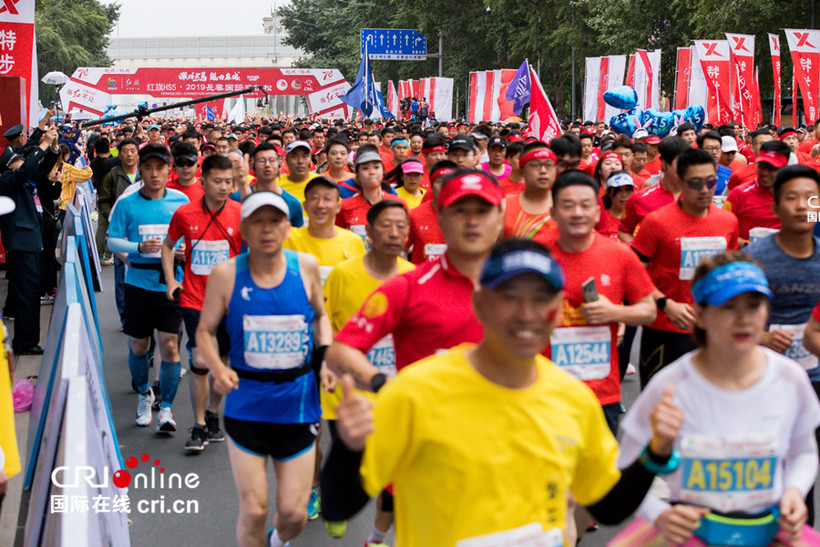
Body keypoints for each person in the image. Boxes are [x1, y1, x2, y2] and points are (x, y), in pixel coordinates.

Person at [321, 238, 684, 547]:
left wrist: (657, 452)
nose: (526, 315)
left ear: (557, 312)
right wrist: (348, 451)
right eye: (509, 298)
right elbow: (339, 507)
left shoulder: (572, 399)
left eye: (541, 299)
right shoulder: (414, 391)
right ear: (480, 305)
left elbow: (608, 507)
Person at [619, 251, 819, 545]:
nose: (744, 319)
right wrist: (660, 515)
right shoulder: (671, 386)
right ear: (699, 314)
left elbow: (804, 451)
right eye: (728, 307)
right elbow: (624, 469)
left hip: (769, 531)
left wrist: (794, 491)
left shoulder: (790, 378)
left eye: (754, 306)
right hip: (690, 534)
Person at [196, 191, 335, 547]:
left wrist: (327, 358)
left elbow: (320, 318)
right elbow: (205, 331)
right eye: (258, 221)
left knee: (294, 514)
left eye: (275, 221)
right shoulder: (226, 275)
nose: (267, 229)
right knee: (255, 510)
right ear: (244, 228)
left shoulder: (305, 267)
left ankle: (277, 542)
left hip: (298, 401)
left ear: (288, 227)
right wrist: (217, 368)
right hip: (248, 400)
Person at [326, 168, 504, 389]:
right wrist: (384, 386)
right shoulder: (407, 286)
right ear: (441, 218)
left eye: (482, 211)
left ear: (500, 217)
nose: (471, 221)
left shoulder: (522, 290)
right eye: (460, 211)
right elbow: (341, 350)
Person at [321, 199, 415, 543]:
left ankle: (376, 537)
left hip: (395, 389)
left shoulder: (412, 277)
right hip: (347, 389)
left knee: (395, 474)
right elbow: (325, 323)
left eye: (401, 226)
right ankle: (338, 502)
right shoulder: (344, 274)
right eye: (386, 225)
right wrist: (327, 364)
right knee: (357, 460)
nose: (395, 233)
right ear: (369, 232)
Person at [544, 170, 656, 435]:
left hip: (601, 395)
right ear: (553, 212)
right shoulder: (535, 255)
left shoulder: (620, 255)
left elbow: (650, 310)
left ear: (597, 212)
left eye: (585, 206)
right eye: (568, 206)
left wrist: (615, 312)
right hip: (546, 393)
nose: (577, 213)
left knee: (602, 475)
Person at [631, 148, 739, 389]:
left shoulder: (728, 221)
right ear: (680, 181)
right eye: (695, 183)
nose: (704, 190)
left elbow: (728, 271)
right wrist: (666, 304)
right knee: (660, 409)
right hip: (664, 329)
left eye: (710, 182)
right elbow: (636, 273)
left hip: (711, 330)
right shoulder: (657, 222)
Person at [162, 154, 243, 452]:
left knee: (221, 363)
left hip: (229, 302)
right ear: (204, 180)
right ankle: (197, 425)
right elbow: (168, 246)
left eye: (228, 182)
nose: (224, 187)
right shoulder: (185, 213)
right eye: (218, 181)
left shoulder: (239, 212)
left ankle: (212, 414)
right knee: (199, 362)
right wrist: (172, 280)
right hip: (195, 299)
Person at [107, 144, 189, 431]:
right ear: (140, 170)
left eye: (160, 167)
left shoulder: (180, 201)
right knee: (139, 345)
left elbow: (190, 237)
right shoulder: (127, 203)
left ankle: (166, 408)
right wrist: (138, 247)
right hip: (137, 283)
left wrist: (182, 253)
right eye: (149, 168)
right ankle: (144, 394)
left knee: (169, 344)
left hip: (170, 283)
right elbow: (112, 240)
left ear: (170, 170)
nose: (155, 174)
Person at [0, 124, 59, 353]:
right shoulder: (7, 181)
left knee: (31, 294)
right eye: (18, 161)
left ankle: (29, 340)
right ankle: (25, 342)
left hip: (31, 243)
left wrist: (52, 148)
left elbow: (39, 171)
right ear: (10, 165)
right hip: (21, 245)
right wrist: (42, 145)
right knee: (26, 296)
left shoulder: (22, 180)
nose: (23, 164)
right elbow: (27, 170)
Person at [283, 176, 365, 286]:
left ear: (338, 206)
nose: (320, 205)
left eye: (327, 199)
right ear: (305, 206)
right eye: (314, 198)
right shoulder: (287, 238)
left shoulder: (354, 242)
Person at [99, 138, 142, 328]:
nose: (129, 154)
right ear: (119, 154)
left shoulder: (145, 173)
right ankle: (126, 318)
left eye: (133, 151)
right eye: (125, 151)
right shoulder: (113, 175)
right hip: (121, 234)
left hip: (142, 231)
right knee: (121, 277)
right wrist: (114, 217)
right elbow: (104, 201)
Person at [619, 137, 689, 243]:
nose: (686, 167)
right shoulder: (640, 198)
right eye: (680, 162)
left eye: (688, 162)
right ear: (664, 163)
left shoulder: (697, 196)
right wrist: (639, 254)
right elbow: (624, 231)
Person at [724, 140, 790, 246]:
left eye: (772, 168)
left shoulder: (795, 197)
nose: (765, 173)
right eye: (762, 166)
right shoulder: (739, 194)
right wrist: (749, 246)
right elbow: (724, 230)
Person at [336, 145, 406, 244]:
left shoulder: (398, 204)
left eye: (376, 167)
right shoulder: (345, 207)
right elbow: (338, 240)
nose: (372, 172)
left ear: (383, 171)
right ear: (357, 175)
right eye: (365, 168)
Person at [232, 142, 304, 227]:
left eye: (272, 160)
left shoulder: (292, 203)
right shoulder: (235, 199)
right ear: (253, 165)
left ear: (279, 164)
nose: (267, 165)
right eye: (262, 161)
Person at [502, 141, 557, 244]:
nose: (543, 170)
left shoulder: (565, 207)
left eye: (548, 164)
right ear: (522, 169)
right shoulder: (504, 206)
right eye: (535, 165)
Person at [406, 160, 456, 264]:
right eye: (440, 181)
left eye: (450, 181)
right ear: (431, 186)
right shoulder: (414, 215)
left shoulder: (468, 217)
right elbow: (401, 249)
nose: (445, 186)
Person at [595, 171, 636, 241]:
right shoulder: (600, 220)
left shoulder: (639, 218)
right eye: (618, 190)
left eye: (628, 190)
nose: (624, 195)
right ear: (609, 193)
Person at [276, 140, 318, 206]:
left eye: (305, 156)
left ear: (310, 159)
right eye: (295, 156)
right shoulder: (276, 186)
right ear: (286, 160)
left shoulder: (320, 182)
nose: (300, 161)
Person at [697, 130, 731, 196]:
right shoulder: (693, 175)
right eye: (709, 148)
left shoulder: (727, 172)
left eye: (717, 148)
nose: (714, 152)